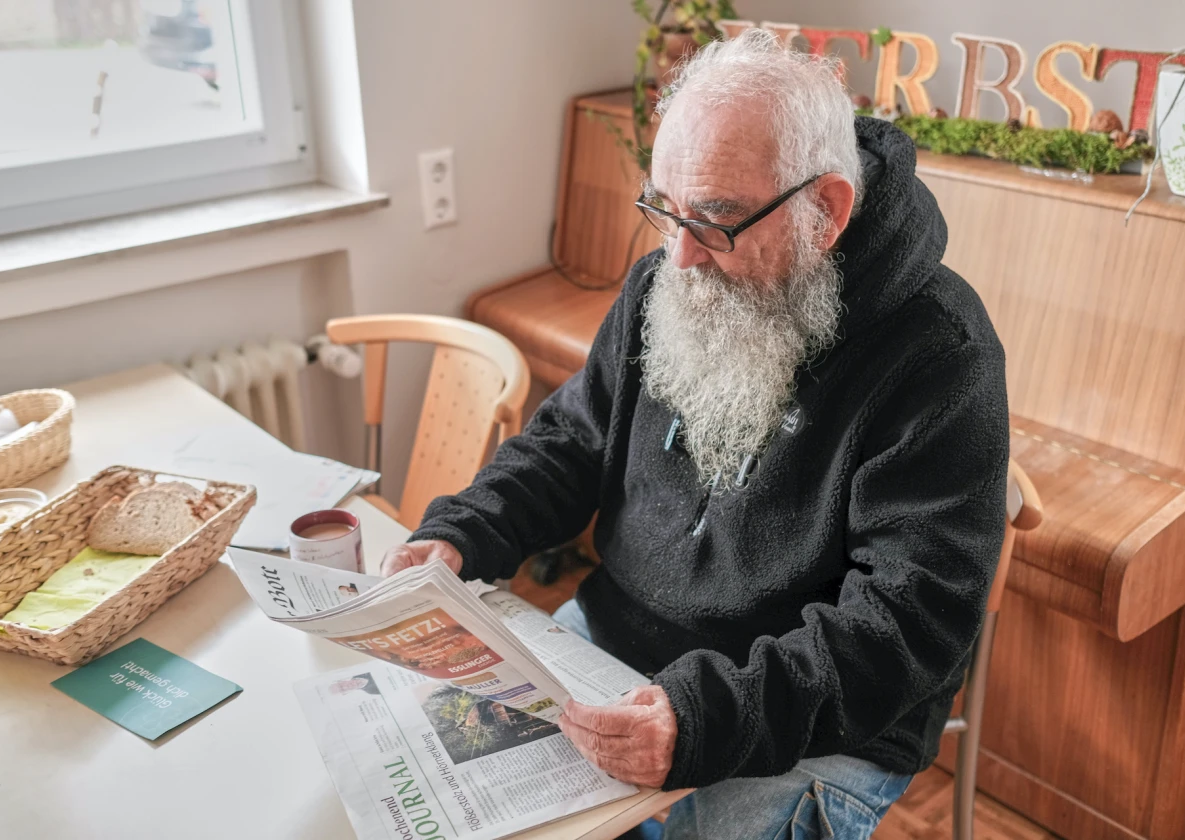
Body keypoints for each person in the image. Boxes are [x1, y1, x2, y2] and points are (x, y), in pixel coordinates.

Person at [381, 30, 1008, 839]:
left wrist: (703, 718)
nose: (676, 259)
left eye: (713, 221)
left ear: (827, 210)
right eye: (664, 209)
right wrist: (462, 536)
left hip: (817, 719)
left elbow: (906, 623)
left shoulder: (939, 356)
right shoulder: (668, 273)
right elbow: (571, 440)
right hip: (617, 646)